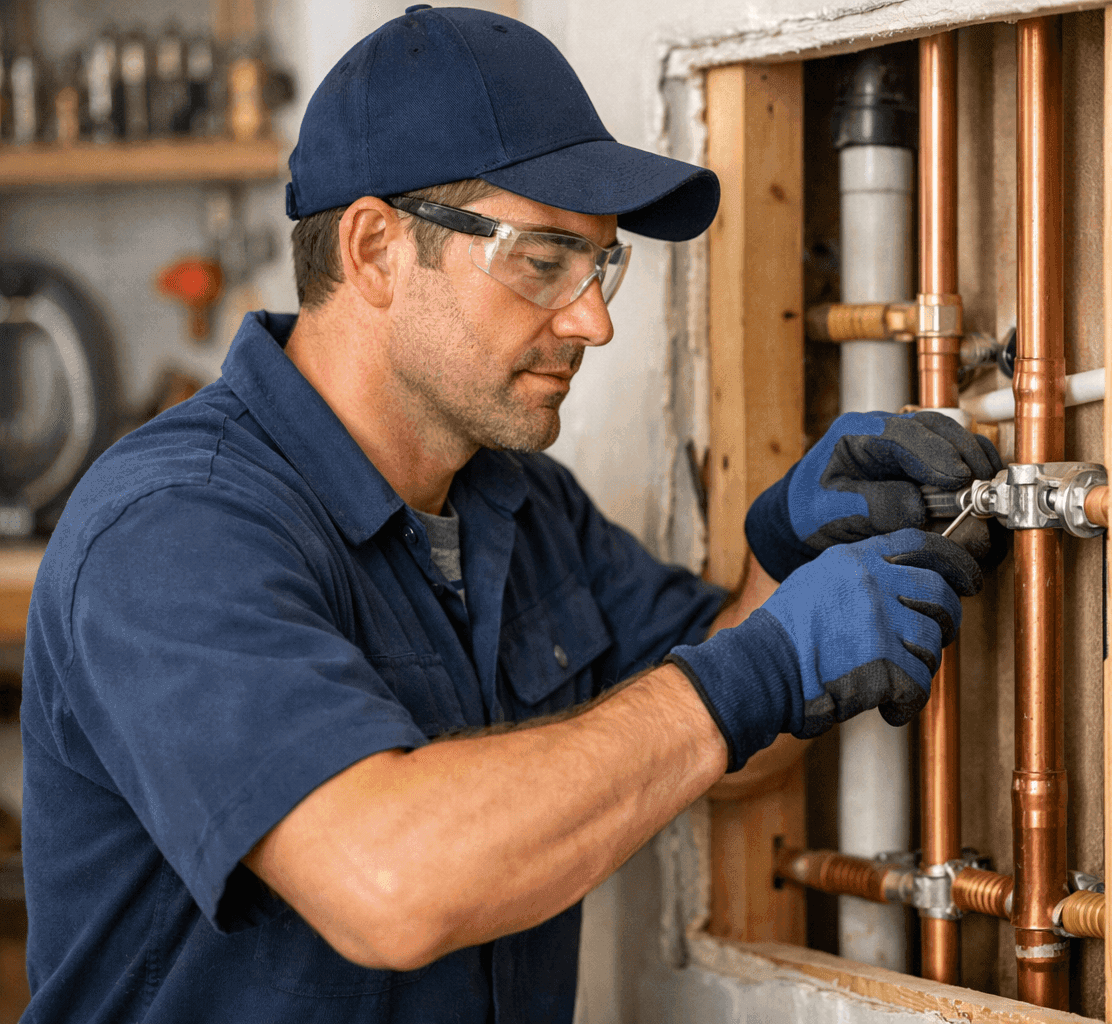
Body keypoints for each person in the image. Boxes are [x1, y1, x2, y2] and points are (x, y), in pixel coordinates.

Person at [19, 7, 1003, 1023]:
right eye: (543, 261)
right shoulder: (172, 531)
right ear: (373, 249)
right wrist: (761, 665)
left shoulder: (520, 506)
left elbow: (716, 758)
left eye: (600, 264)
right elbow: (389, 884)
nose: (594, 318)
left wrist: (784, 560)